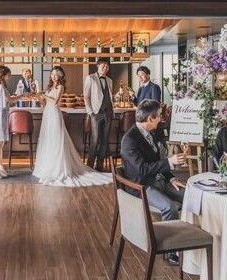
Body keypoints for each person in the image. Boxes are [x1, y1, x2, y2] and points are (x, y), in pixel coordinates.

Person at [121, 99, 186, 265]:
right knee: (169, 207)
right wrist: (170, 162)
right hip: (141, 185)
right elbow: (142, 169)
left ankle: (186, 240)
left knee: (188, 196)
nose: (161, 119)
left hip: (159, 179)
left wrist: (171, 177)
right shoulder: (130, 140)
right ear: (150, 118)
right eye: (159, 116)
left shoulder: (152, 132)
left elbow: (158, 161)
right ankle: (170, 252)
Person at [33, 66, 112, 187]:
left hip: (55, 114)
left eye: (56, 74)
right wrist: (39, 96)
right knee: (48, 140)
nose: (54, 77)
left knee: (57, 140)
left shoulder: (61, 87)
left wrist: (43, 95)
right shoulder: (50, 87)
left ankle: (59, 168)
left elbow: (55, 102)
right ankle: (48, 166)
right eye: (52, 74)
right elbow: (44, 103)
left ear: (60, 76)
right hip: (47, 114)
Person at [0, 66, 24, 179]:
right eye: (8, 75)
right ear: (3, 75)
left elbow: (8, 100)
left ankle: (0, 166)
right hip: (0, 115)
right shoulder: (0, 87)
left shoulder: (0, 86)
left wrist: (19, 97)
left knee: (1, 143)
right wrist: (21, 96)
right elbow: (8, 101)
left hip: (2, 115)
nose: (9, 77)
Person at [83, 58, 113, 171]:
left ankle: (100, 166)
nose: (105, 68)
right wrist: (90, 112)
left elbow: (108, 96)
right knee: (95, 140)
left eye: (107, 66)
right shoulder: (90, 78)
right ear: (98, 66)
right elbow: (86, 96)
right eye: (103, 66)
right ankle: (90, 166)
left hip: (108, 112)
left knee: (105, 140)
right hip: (96, 113)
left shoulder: (109, 80)